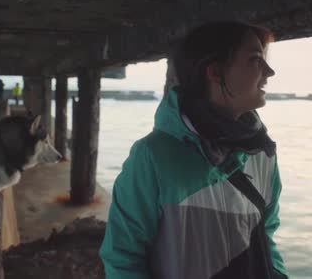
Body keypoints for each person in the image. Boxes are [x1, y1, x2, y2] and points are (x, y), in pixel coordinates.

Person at [99, 21, 287, 279]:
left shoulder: (262, 153)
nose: (269, 71)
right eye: (255, 60)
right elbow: (123, 259)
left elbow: (266, 235)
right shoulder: (153, 157)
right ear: (216, 72)